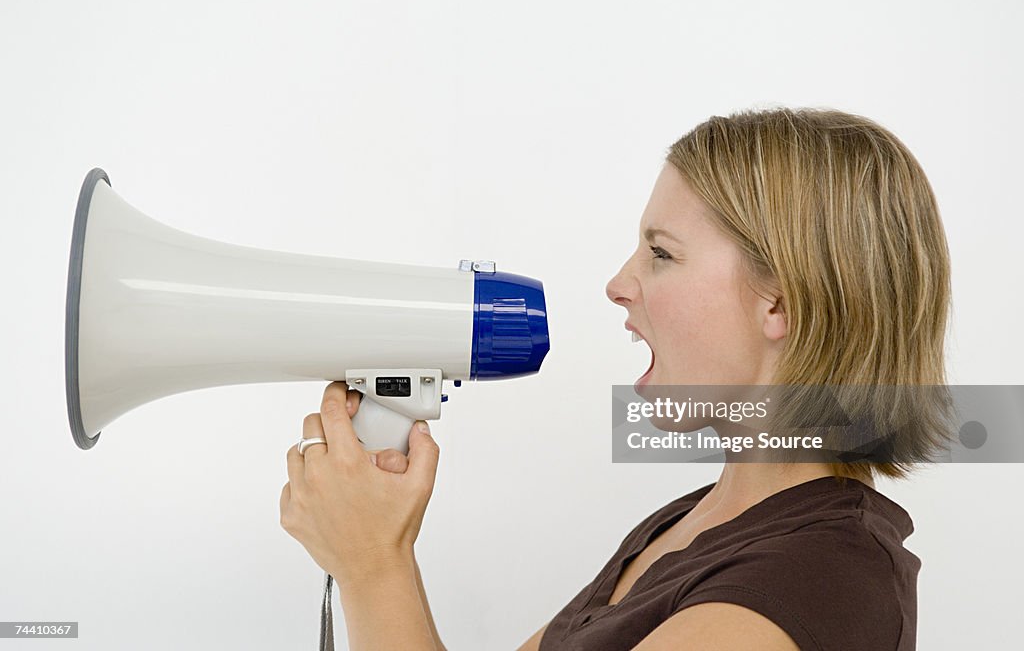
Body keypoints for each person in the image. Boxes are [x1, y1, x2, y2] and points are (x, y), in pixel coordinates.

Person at [279, 107, 951, 650]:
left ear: (781, 303)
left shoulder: (819, 580)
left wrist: (373, 564)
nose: (618, 284)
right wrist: (367, 544)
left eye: (661, 254)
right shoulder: (690, 527)